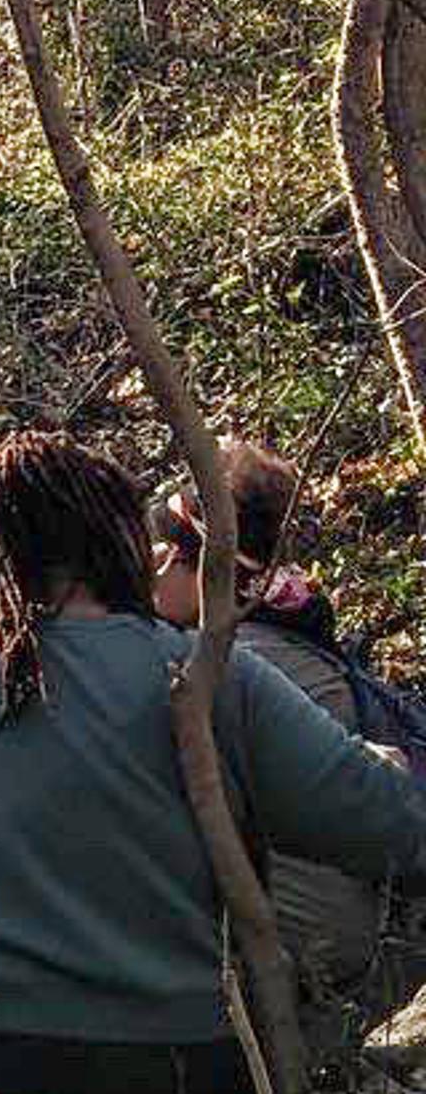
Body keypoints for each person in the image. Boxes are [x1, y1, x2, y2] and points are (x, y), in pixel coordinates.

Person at [0, 432, 426, 1094]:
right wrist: (380, 766)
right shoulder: (211, 674)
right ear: (121, 543)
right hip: (170, 1057)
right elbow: (386, 822)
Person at [151, 439, 426, 1053]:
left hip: (320, 952)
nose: (151, 565)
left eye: (166, 549)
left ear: (202, 560)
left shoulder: (230, 664)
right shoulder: (283, 624)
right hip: (357, 924)